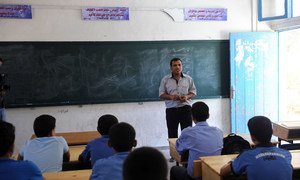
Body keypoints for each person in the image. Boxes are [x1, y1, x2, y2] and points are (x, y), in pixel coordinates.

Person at [220, 116, 293, 180]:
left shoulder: (247, 155)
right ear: (272, 132)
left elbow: (223, 172)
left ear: (252, 136)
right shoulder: (286, 154)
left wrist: (233, 161)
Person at [170, 101, 223, 180]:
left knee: (174, 169)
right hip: (213, 174)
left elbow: (179, 150)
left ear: (192, 117)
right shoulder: (218, 132)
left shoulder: (188, 132)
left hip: (194, 177)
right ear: (208, 115)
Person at [159, 57, 197, 139]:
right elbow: (161, 94)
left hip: (186, 109)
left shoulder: (188, 79)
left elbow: (193, 92)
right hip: (171, 110)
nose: (177, 67)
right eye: (175, 65)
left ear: (182, 66)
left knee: (187, 135)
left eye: (179, 65)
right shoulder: (165, 80)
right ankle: (174, 152)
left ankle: (187, 152)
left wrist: (187, 96)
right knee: (172, 135)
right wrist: (171, 97)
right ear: (171, 67)